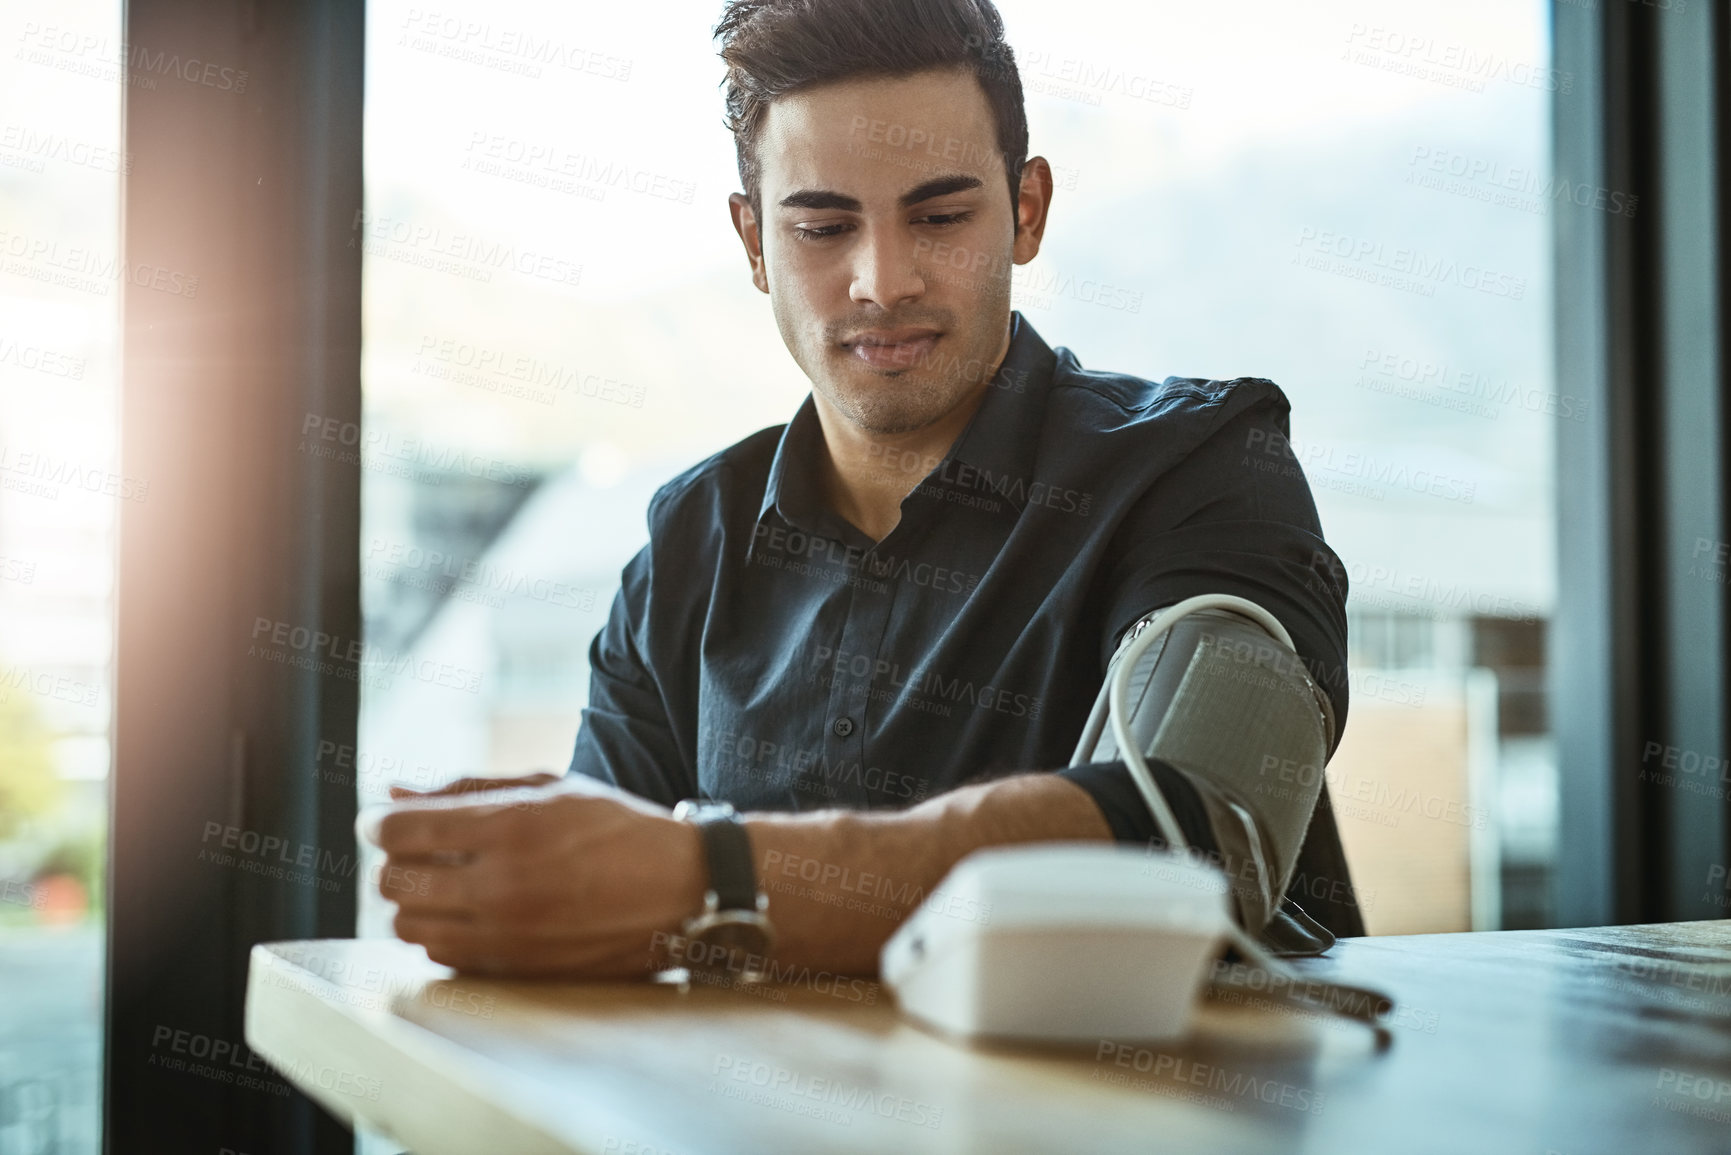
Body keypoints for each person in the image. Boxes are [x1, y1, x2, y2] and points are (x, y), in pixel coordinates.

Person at [374, 0, 1360, 981]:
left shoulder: (1201, 468)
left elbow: (1199, 829)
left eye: (939, 217)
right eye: (822, 227)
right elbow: (588, 924)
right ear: (754, 242)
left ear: (1027, 211)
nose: (881, 281)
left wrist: (711, 883)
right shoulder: (689, 544)